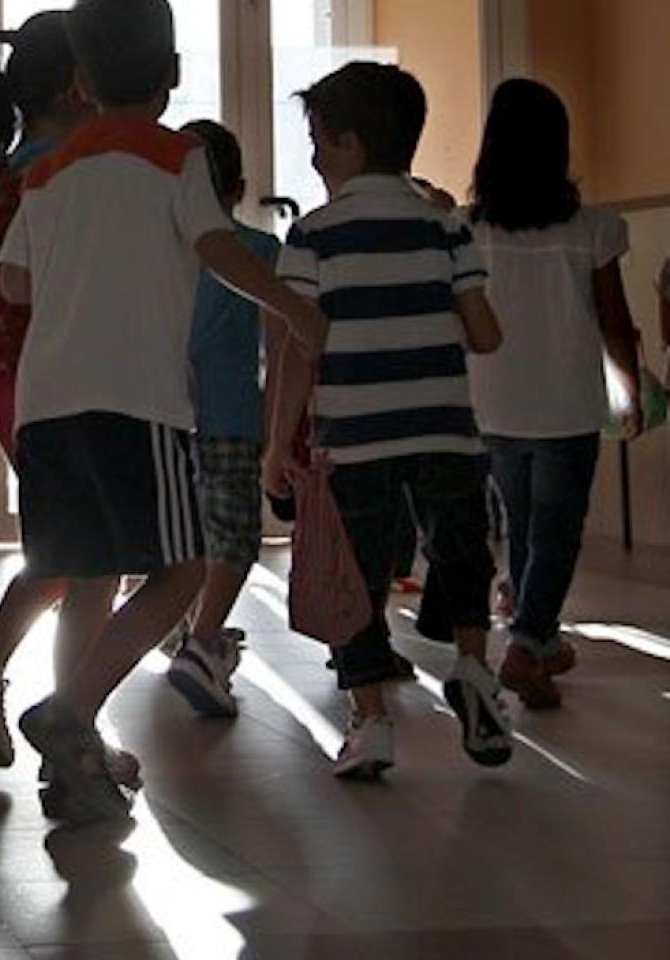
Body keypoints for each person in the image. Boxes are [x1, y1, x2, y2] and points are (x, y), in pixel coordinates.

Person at [2, 0, 327, 821]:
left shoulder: (46, 168)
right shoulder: (176, 154)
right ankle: (70, 710)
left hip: (47, 405)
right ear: (173, 74)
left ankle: (74, 761)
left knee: (88, 574)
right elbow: (216, 248)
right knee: (182, 569)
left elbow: (14, 283)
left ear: (79, 80)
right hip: (133, 401)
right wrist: (291, 306)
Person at [266, 62, 508, 780]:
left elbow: (295, 354)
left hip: (355, 439)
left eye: (315, 139)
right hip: (445, 430)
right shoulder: (443, 226)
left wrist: (277, 447)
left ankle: (370, 721)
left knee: (356, 582)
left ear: (347, 144)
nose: (311, 155)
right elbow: (486, 334)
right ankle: (472, 672)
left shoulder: (314, 236)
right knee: (463, 553)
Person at [0, 11, 101, 772]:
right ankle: (0, 675)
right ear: (80, 84)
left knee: (80, 549)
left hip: (13, 381)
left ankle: (71, 720)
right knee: (86, 550)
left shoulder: (6, 168)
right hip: (59, 380)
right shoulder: (65, 173)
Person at [466, 78, 643, 709]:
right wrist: (633, 386)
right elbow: (614, 319)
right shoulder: (594, 229)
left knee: (522, 524)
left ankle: (539, 646)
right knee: (558, 532)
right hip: (565, 404)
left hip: (493, 401)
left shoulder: (472, 232)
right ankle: (527, 642)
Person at [161, 119, 279, 719]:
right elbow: (277, 348)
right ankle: (203, 642)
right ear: (237, 189)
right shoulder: (260, 252)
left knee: (179, 535)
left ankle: (185, 630)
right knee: (231, 535)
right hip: (233, 415)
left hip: (165, 417)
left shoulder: (157, 253)